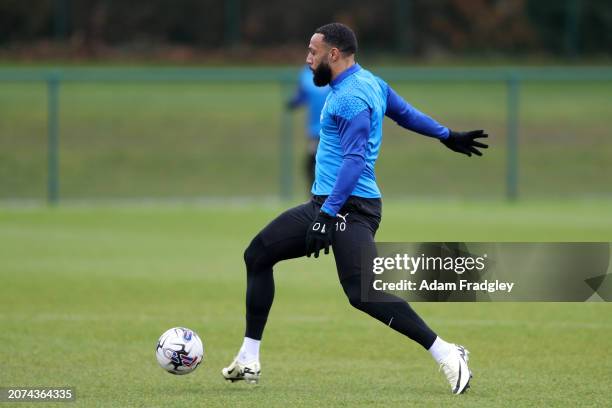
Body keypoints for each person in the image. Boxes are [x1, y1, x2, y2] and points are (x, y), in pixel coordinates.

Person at [222, 23, 488, 395]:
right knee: (258, 254)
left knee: (363, 292)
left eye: (312, 52)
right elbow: (406, 113)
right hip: (330, 204)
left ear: (333, 54)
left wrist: (328, 215)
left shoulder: (350, 98)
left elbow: (353, 159)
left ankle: (447, 353)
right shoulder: (370, 83)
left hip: (350, 207)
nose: (307, 58)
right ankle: (249, 358)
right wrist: (447, 135)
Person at [286, 65, 331, 189]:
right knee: (312, 164)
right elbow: (300, 97)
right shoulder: (306, 75)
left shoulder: (337, 71)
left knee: (328, 164)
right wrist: (293, 102)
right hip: (315, 130)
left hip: (334, 129)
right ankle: (316, 197)